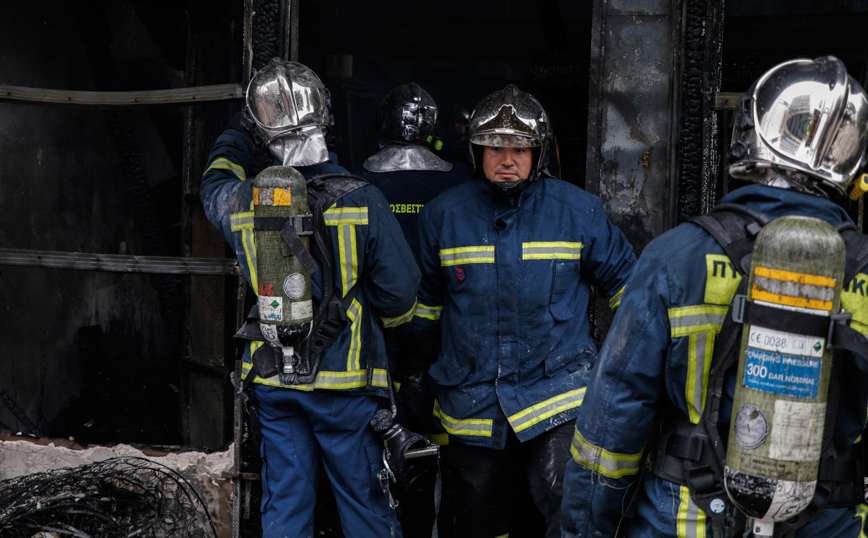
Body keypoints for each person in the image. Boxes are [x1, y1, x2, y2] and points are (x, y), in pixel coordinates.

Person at [561, 55, 868, 538]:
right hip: (825, 521)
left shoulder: (675, 256)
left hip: (685, 519)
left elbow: (613, 420)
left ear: (755, 131)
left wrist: (584, 530)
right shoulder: (864, 269)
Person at [200, 58, 420, 538]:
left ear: (264, 134)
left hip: (275, 384)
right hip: (347, 388)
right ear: (326, 120)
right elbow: (401, 301)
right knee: (366, 506)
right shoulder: (364, 200)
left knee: (287, 504)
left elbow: (212, 183)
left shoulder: (243, 201)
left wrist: (238, 135)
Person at [411, 84, 637, 538]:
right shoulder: (442, 216)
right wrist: (414, 376)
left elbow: (631, 292)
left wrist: (625, 373)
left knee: (567, 505)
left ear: (539, 154)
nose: (507, 159)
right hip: (471, 399)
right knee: (472, 517)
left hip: (558, 394)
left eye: (519, 148)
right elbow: (424, 312)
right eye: (494, 148)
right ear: (476, 153)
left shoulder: (578, 211)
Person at [352, 81, 472, 538]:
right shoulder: (462, 179)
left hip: (373, 338)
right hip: (445, 338)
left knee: (378, 444)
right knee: (444, 446)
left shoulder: (353, 181)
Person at [354, 82, 470, 257]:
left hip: (383, 280)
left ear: (383, 120)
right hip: (440, 281)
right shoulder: (461, 177)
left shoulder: (357, 179)